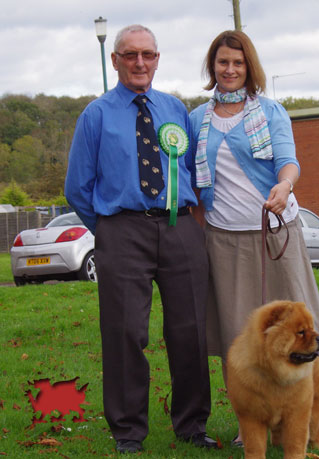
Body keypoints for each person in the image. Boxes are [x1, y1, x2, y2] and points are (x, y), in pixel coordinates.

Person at [64, 25, 217, 454]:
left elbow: (187, 170)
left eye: (148, 54)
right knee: (126, 332)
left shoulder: (175, 109)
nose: (139, 63)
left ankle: (191, 425)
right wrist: (111, 229)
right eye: (130, 55)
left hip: (179, 228)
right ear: (115, 61)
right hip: (121, 230)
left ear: (157, 58)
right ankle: (128, 431)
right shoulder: (95, 116)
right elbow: (78, 186)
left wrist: (188, 221)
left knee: (190, 329)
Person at [188, 30, 319, 446]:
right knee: (240, 337)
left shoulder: (271, 111)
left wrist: (284, 186)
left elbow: (288, 162)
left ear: (249, 67)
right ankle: (246, 424)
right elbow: (195, 183)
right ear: (212, 67)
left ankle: (304, 424)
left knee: (301, 333)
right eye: (222, 63)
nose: (229, 70)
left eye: (238, 63)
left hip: (276, 233)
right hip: (224, 238)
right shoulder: (197, 118)